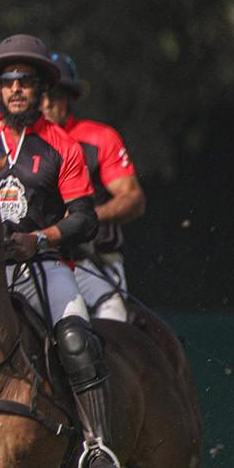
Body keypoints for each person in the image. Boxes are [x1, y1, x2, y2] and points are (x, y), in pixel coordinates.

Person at [0, 34, 120, 468]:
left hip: (44, 268)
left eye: (26, 80)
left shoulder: (63, 147)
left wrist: (40, 238)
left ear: (42, 87)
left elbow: (84, 218)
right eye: (8, 81)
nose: (16, 88)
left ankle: (97, 445)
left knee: (78, 340)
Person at [41, 53, 145, 322]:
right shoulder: (17, 146)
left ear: (70, 98)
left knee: (114, 319)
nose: (47, 103)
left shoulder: (98, 138)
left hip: (93, 260)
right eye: (41, 93)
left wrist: (83, 220)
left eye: (56, 94)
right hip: (35, 260)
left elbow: (133, 198)